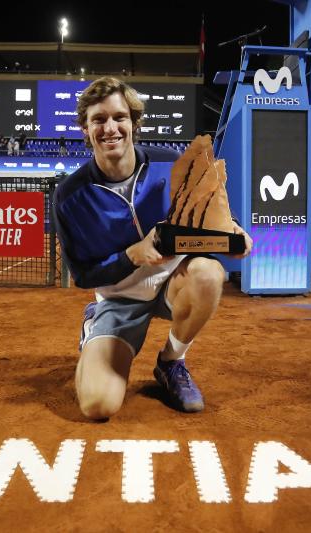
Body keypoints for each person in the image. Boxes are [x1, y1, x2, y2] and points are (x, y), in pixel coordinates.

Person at [53, 77, 252, 420]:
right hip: (119, 298)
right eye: (98, 120)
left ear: (134, 122)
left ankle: (171, 363)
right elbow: (82, 275)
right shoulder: (70, 195)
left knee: (208, 274)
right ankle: (94, 328)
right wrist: (132, 255)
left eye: (119, 117)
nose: (110, 128)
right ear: (85, 129)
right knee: (98, 406)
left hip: (173, 280)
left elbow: (209, 215)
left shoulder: (172, 162)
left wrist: (232, 232)